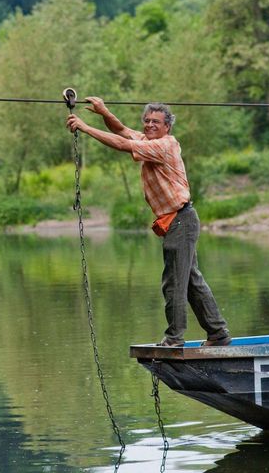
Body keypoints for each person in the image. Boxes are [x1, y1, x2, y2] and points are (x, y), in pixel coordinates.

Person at [66, 97, 232, 347]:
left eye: (156, 122)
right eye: (146, 121)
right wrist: (103, 112)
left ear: (167, 127)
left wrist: (85, 127)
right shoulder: (148, 141)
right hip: (177, 221)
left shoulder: (166, 145)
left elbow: (122, 144)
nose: (149, 125)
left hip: (180, 220)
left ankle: (174, 338)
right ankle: (218, 332)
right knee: (190, 281)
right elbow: (122, 131)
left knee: (174, 282)